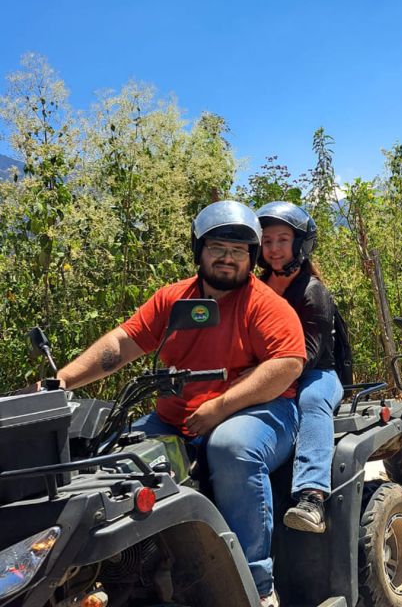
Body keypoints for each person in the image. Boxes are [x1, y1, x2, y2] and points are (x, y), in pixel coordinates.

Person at [54, 200, 306, 607]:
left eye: (239, 251)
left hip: (260, 411)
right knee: (114, 457)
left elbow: (287, 365)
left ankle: (257, 587)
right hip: (177, 418)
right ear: (199, 252)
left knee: (232, 449)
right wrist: (61, 380)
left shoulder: (264, 304)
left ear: (252, 256)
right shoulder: (173, 300)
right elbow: (121, 345)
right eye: (218, 248)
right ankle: (125, 574)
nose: (228, 258)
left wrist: (222, 407)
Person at [256, 201, 344, 536]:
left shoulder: (312, 291)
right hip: (267, 371)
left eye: (282, 239)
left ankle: (312, 497)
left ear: (299, 244)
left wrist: (268, 376)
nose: (274, 248)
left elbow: (311, 351)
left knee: (312, 402)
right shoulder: (256, 289)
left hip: (316, 373)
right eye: (267, 241)